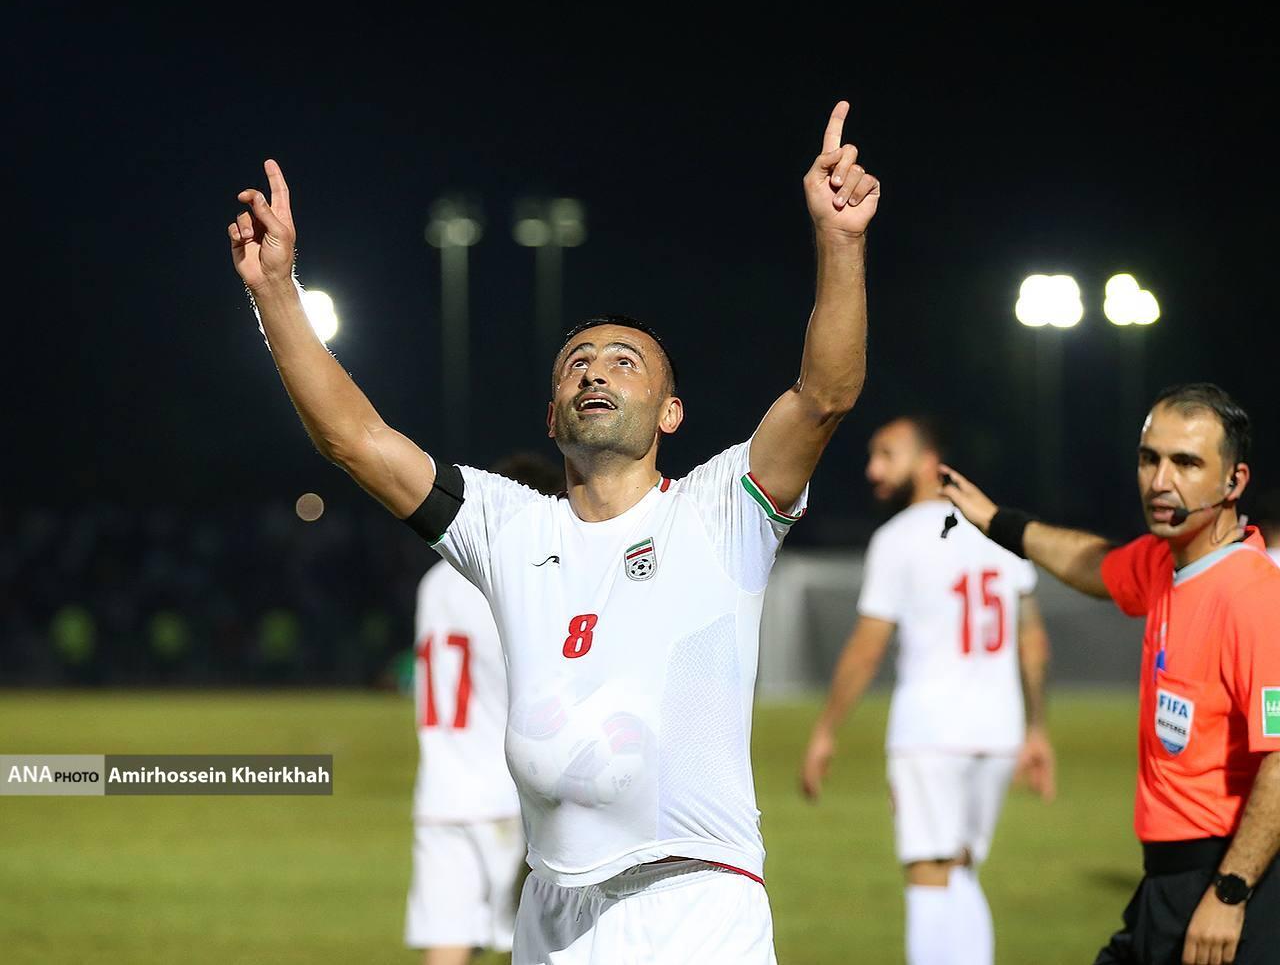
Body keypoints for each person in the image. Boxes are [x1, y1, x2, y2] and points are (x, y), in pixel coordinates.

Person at [228, 100, 880, 964]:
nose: (596, 372)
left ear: (671, 411)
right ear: (551, 412)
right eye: (577, 363)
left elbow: (824, 395)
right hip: (549, 917)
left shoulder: (723, 508)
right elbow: (356, 441)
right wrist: (277, 293)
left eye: (624, 362)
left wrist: (840, 246)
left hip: (694, 905)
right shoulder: (506, 525)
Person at [939, 383, 1280, 965]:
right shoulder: (1166, 563)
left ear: (1234, 482)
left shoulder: (1253, 596)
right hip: (1167, 881)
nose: (1159, 480)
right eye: (1150, 458)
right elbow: (1092, 563)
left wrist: (1231, 891)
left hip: (1227, 880)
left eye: (1186, 463)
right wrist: (998, 522)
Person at [800, 416, 1054, 965]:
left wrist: (824, 732)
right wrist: (1036, 729)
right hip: (999, 729)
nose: (873, 468)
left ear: (925, 460)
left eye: (885, 453)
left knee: (927, 874)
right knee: (959, 868)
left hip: (931, 732)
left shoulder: (899, 537)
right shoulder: (1001, 531)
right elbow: (1033, 641)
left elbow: (867, 648)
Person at [405, 454, 563, 965]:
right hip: (508, 793)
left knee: (447, 944)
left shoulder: (434, 581)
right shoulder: (513, 581)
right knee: (556, 944)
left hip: (442, 792)